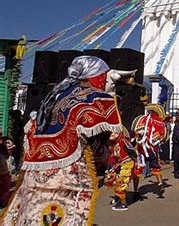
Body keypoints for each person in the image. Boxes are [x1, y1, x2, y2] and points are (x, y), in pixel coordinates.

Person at [2, 56, 122, 225]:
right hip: (69, 171)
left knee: (33, 210)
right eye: (104, 75)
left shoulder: (55, 96)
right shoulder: (93, 97)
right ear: (96, 76)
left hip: (35, 168)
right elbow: (103, 136)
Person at [131, 102, 168, 196]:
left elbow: (136, 131)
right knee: (155, 165)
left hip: (142, 148)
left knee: (138, 168)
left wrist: (140, 136)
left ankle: (136, 190)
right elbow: (162, 136)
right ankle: (160, 183)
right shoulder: (160, 123)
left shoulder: (143, 119)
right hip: (152, 149)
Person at [105, 129, 137, 211]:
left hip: (127, 164)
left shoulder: (123, 141)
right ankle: (117, 197)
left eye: (114, 132)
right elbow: (114, 157)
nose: (111, 134)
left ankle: (123, 204)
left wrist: (136, 162)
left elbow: (132, 151)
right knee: (113, 180)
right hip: (119, 164)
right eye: (110, 132)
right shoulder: (114, 144)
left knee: (121, 183)